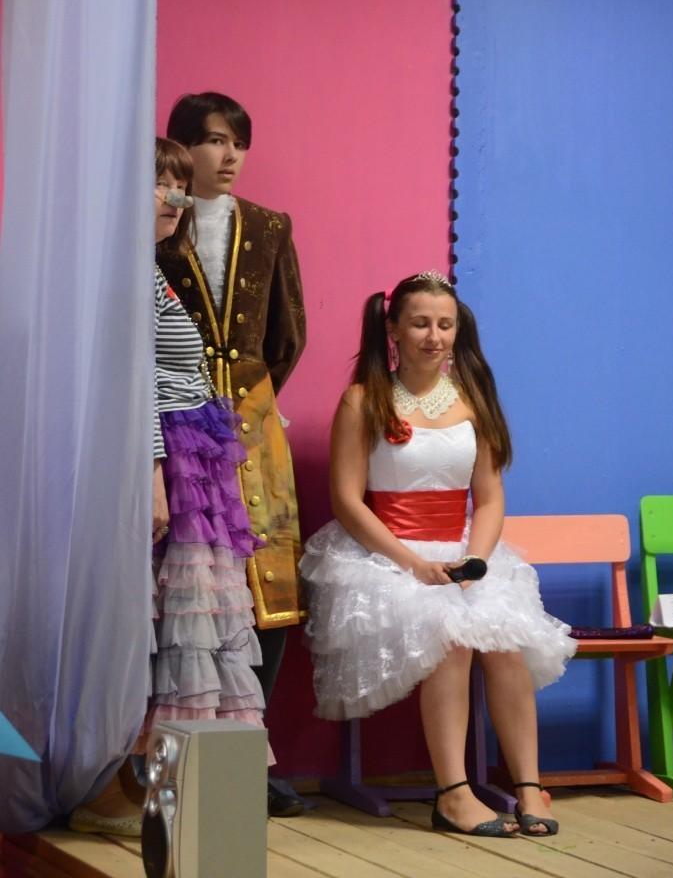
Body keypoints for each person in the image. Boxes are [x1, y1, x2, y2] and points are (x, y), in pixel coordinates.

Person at [300, 270, 575, 838]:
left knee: (503, 640)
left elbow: (490, 497)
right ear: (393, 330)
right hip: (384, 557)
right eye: (421, 323)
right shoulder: (363, 400)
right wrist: (415, 564)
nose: (434, 336)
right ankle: (453, 793)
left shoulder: (473, 402)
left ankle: (528, 785)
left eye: (445, 325)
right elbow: (347, 501)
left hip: (464, 553)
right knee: (450, 636)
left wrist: (475, 563)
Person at [69, 139, 266, 837]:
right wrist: (154, 476)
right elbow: (133, 382)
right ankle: (107, 786)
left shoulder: (150, 270)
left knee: (188, 628)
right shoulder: (121, 274)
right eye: (161, 184)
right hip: (165, 466)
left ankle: (167, 789)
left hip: (191, 465)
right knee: (151, 626)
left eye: (180, 185)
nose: (176, 198)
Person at [158, 93, 306, 816]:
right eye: (215, 141)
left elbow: (289, 333)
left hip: (251, 427)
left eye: (238, 143)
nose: (229, 156)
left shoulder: (271, 227)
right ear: (183, 147)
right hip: (175, 427)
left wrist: (251, 409)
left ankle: (248, 754)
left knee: (268, 590)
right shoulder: (158, 222)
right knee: (181, 593)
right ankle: (172, 756)